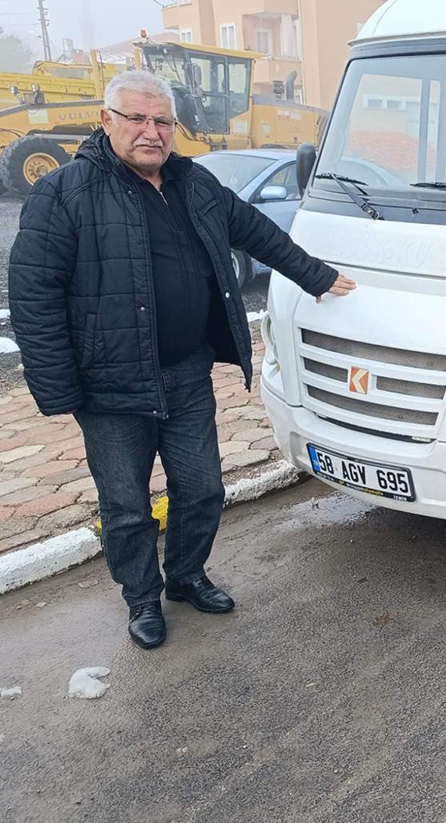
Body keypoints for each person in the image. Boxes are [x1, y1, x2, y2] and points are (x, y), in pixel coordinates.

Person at [8, 70, 356, 650]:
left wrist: (317, 277)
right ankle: (141, 600)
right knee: (125, 507)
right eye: (137, 119)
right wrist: (57, 389)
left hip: (185, 375)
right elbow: (33, 294)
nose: (151, 131)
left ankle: (187, 577)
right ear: (107, 121)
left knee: (201, 490)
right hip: (108, 387)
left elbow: (258, 233)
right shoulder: (64, 192)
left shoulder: (194, 184)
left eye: (162, 121)